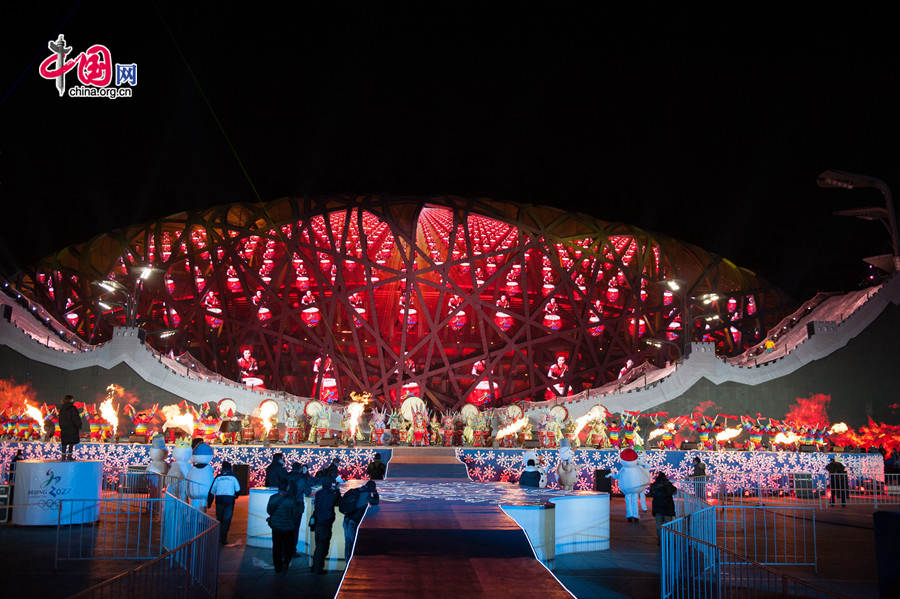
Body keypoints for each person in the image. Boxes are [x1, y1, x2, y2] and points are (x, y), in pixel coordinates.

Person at [267, 479, 302, 572]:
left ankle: (277, 567)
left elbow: (269, 511)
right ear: (287, 487)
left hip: (276, 526)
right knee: (288, 546)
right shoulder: (291, 500)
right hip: (288, 526)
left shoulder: (272, 498)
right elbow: (295, 514)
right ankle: (286, 563)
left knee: (277, 547)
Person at [339, 480, 380, 559]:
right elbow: (376, 501)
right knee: (354, 545)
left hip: (346, 520)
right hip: (353, 522)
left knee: (348, 544)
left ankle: (347, 563)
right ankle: (351, 565)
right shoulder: (366, 494)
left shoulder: (355, 490)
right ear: (372, 488)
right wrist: (375, 493)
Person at [311, 480, 341, 574]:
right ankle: (318, 569)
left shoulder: (319, 493)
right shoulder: (331, 494)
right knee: (322, 546)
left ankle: (315, 566)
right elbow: (338, 500)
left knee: (318, 545)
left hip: (318, 521)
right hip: (326, 523)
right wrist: (337, 489)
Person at [207, 461, 241, 544]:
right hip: (229, 500)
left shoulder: (218, 477)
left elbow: (212, 490)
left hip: (219, 500)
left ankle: (218, 537)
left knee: (219, 519)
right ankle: (224, 538)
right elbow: (238, 489)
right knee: (227, 519)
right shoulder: (233, 477)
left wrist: (210, 503)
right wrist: (236, 496)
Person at [648, 472, 677, 544]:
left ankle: (660, 541)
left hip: (658, 508)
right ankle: (668, 541)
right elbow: (674, 491)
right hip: (668, 508)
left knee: (659, 526)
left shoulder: (654, 485)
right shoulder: (668, 484)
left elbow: (651, 493)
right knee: (668, 525)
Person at [58, 395, 82, 461]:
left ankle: (63, 457)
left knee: (64, 443)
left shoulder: (62, 409)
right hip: (72, 429)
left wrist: (62, 427)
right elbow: (75, 418)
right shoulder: (73, 408)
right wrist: (79, 425)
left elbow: (60, 419)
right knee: (71, 443)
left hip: (64, 429)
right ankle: (69, 456)